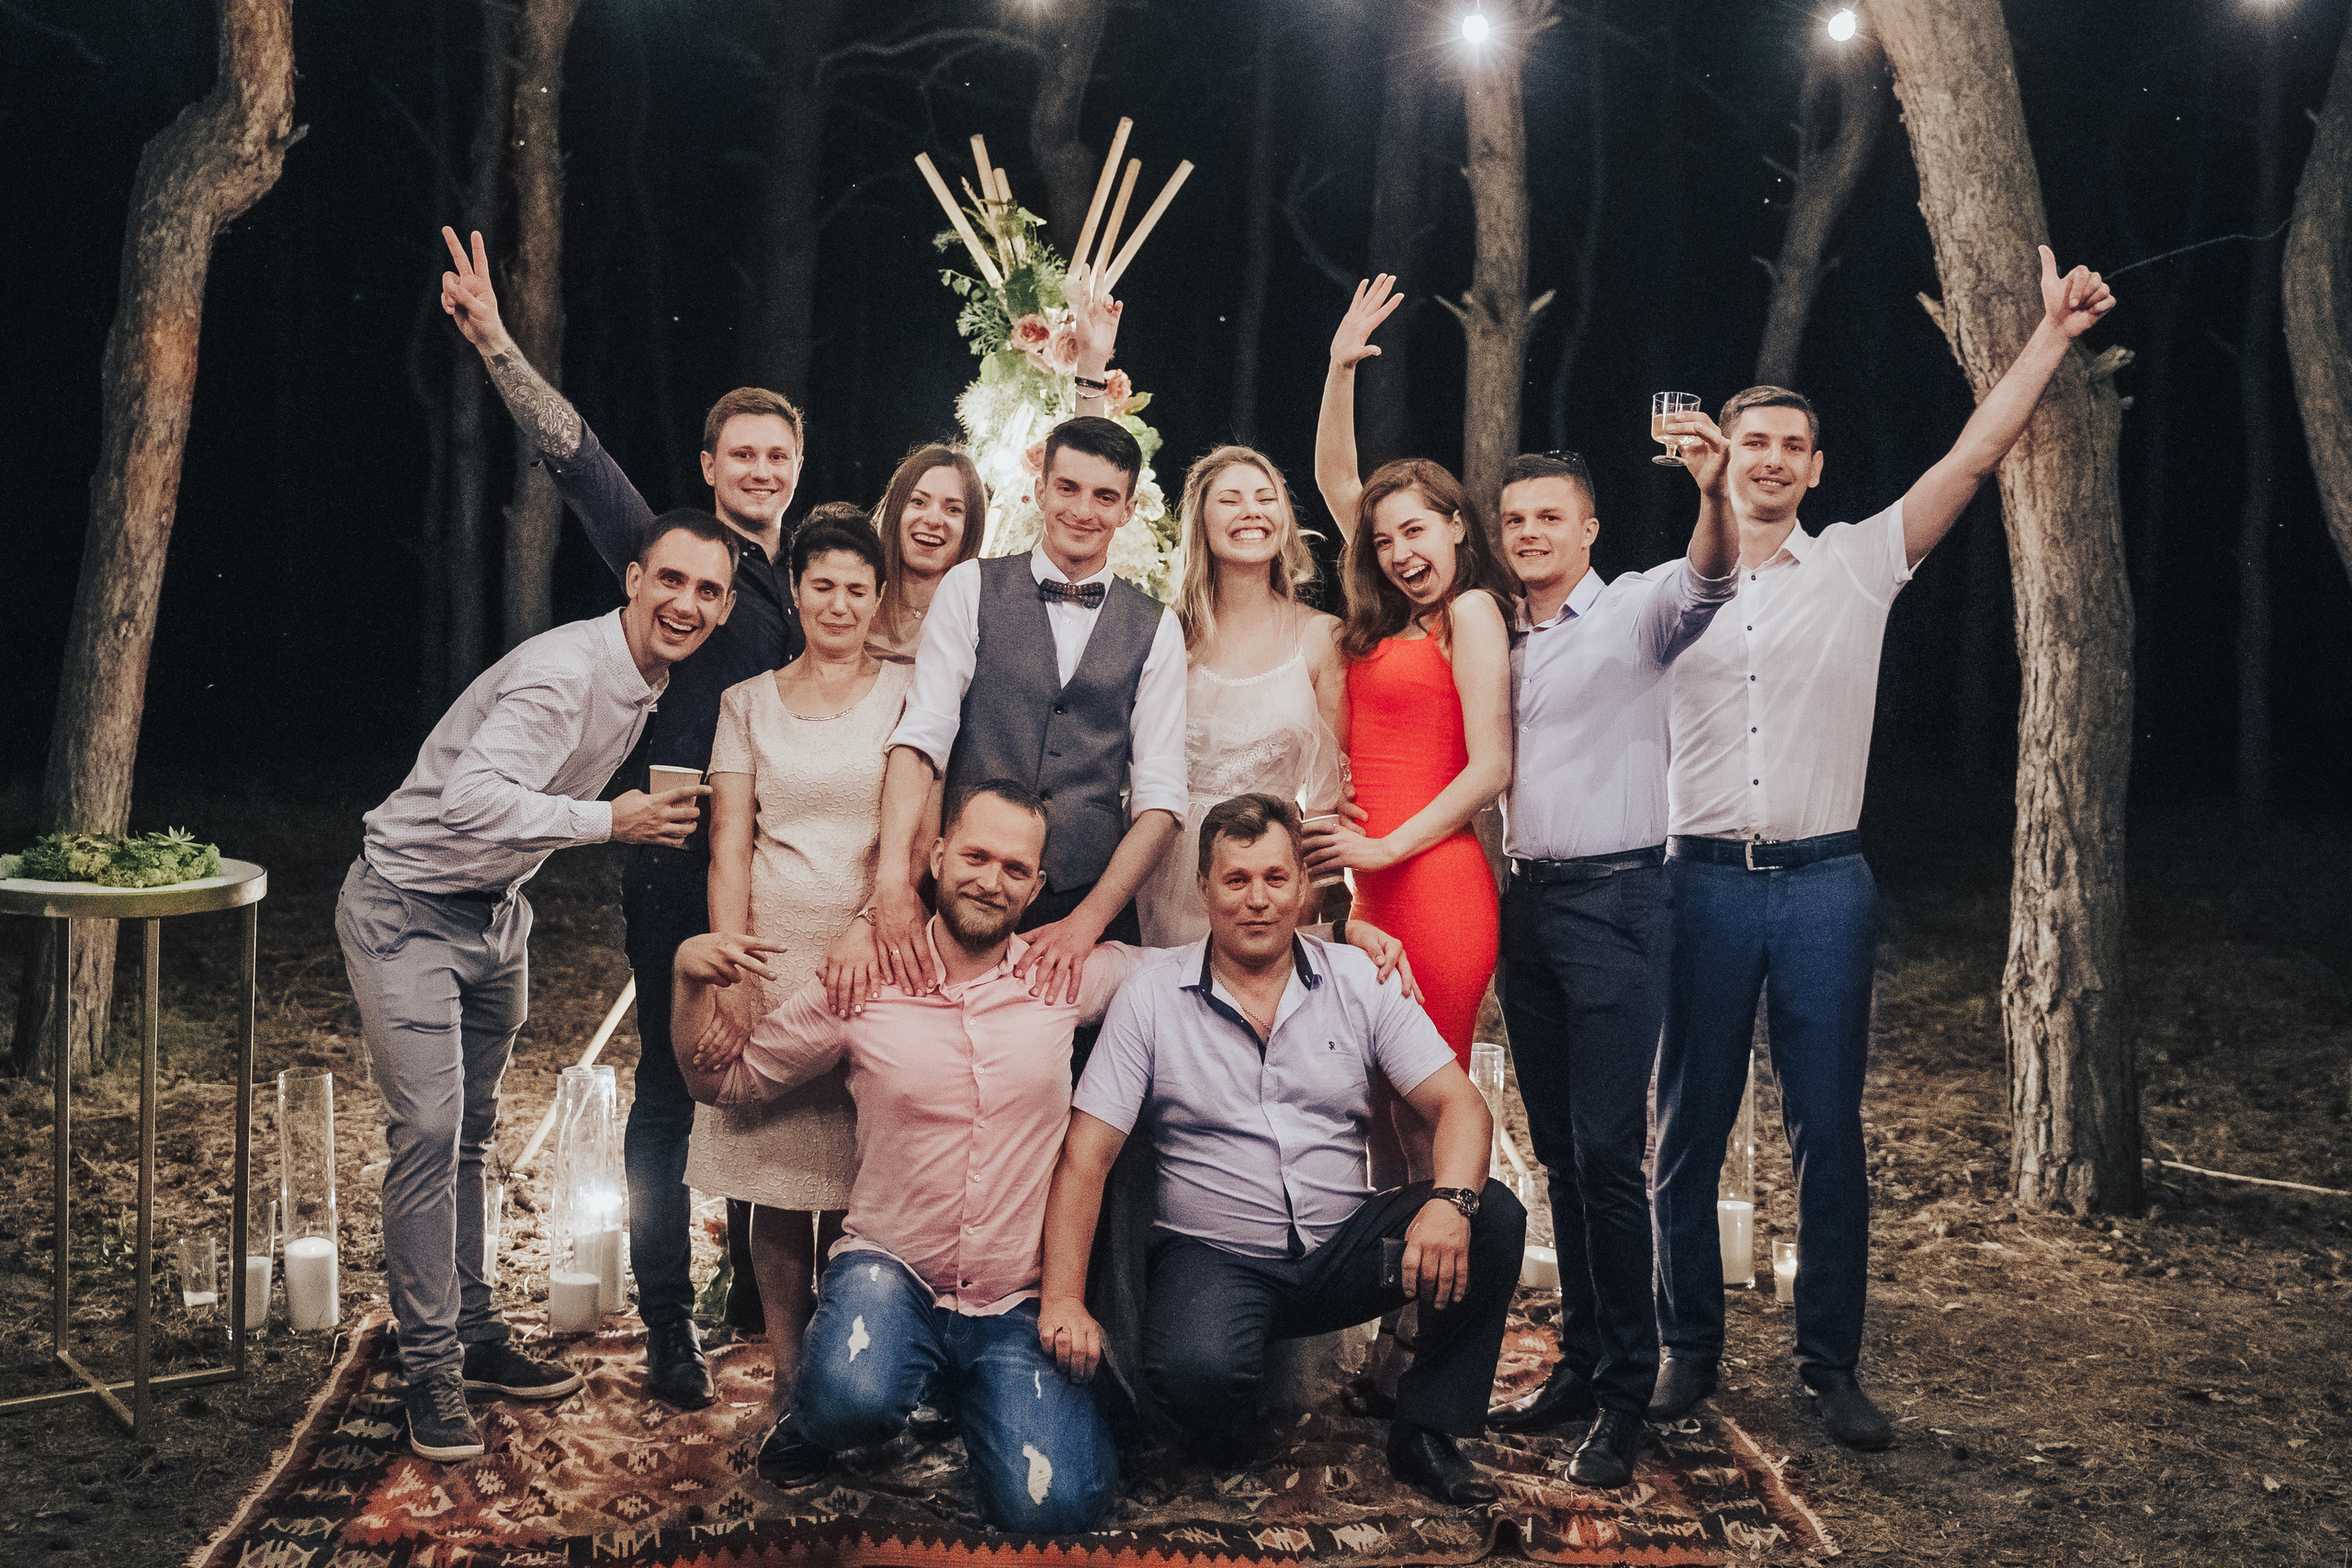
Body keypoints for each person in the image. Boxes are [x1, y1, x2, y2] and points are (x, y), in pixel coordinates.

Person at [1649, 247, 2116, 1450]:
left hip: (1821, 886)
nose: (1770, 459)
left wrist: (2052, 340)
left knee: (1827, 1128)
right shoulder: (1663, 594)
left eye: (1790, 446)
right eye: (1751, 441)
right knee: (1688, 1123)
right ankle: (1686, 1349)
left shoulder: (1858, 563)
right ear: (1722, 456)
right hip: (1694, 880)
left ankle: (1828, 1364)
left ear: (1814, 467)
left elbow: (1972, 453)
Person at [670, 781, 1413, 1530]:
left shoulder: (1063, 976)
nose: (991, 880)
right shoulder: (866, 980)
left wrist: (1344, 938)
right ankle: (833, 1409)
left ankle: (969, 1393)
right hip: (893, 1268)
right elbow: (723, 1080)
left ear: (1036, 887)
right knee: (849, 1400)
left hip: (1014, 1299)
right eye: (976, 856)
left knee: (1058, 1506)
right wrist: (688, 980)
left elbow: (1217, 949)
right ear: (935, 856)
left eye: (1015, 868)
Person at [438, 226, 803, 1404]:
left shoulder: (807, 580)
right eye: (741, 453)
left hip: (787, 865)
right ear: (708, 467)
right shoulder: (679, 561)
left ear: (796, 467)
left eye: (777, 454)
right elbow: (573, 456)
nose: (760, 469)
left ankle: (759, 1295)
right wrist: (497, 342)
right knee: (668, 1086)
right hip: (674, 859)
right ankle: (667, 1332)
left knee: (779, 1069)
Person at [336, 511, 736, 1461]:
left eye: (708, 591)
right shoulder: (567, 673)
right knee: (430, 1133)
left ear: (723, 608)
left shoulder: (648, 680)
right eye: (671, 580)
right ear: (634, 578)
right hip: (408, 907)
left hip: (495, 916)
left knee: (471, 1135)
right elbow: (471, 797)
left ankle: (472, 1335)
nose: (686, 603)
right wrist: (610, 823)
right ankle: (428, 1371)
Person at [1040, 794, 1526, 1507]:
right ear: (1204, 890)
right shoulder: (1150, 997)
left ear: (1302, 887)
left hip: (1344, 1252)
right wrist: (1061, 1298)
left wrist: (1451, 1202)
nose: (1257, 900)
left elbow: (1459, 1103)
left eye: (1275, 878)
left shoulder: (1359, 979)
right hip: (1214, 1255)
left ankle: (1426, 1427)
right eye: (1236, 880)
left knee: (1493, 1217)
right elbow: (1087, 1155)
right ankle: (1226, 1428)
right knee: (1194, 1373)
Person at [1476, 446, 1736, 1487]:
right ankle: (1581, 1363)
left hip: (1619, 897)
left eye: (1549, 518)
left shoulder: (1635, 610)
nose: (1529, 534)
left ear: (1587, 528)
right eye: (1515, 521)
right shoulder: (1499, 634)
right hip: (1527, 907)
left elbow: (1711, 573)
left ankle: (1629, 1392)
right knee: (1553, 1153)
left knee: (1604, 1152)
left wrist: (1711, 490)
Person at [684, 513, 912, 1419]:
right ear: (796, 590)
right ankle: (786, 1365)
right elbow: (728, 847)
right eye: (823, 584)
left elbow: (915, 832)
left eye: (859, 588)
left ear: (878, 599)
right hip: (773, 954)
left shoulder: (906, 694)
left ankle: (847, 1357)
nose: (840, 603)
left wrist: (870, 921)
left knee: (859, 1173)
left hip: (873, 955)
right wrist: (732, 967)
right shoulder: (747, 703)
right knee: (779, 1180)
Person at [859, 415, 1186, 1009]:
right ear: (1040, 489)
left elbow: (1161, 802)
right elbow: (921, 740)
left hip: (1085, 903)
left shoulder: (1157, 627)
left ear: (1129, 509)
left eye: (1105, 496)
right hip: (963, 889)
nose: (1083, 510)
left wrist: (1087, 923)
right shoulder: (969, 587)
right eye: (1068, 488)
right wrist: (894, 884)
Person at [1305, 278, 1513, 1091]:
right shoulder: (1379, 626)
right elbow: (1333, 478)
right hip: (1362, 893)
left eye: (1416, 530)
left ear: (1457, 524)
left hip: (1434, 884)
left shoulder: (1471, 613)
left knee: (1429, 1097)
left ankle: (1451, 1221)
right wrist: (1339, 368)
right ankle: (1388, 1230)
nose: (1398, 551)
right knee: (1367, 1109)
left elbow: (1492, 767)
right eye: (1384, 538)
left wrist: (1385, 849)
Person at [1136, 445, 1348, 947]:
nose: (1251, 511)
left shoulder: (1321, 638)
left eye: (1265, 498)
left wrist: (1314, 889)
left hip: (1269, 879)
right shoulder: (1166, 636)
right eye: (1230, 500)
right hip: (1164, 868)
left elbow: (1328, 794)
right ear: (1201, 523)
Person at [864, 443, 988, 662]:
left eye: (953, 510)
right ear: (895, 510)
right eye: (918, 502)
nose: (932, 520)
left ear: (972, 527)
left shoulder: (983, 620)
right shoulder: (852, 597)